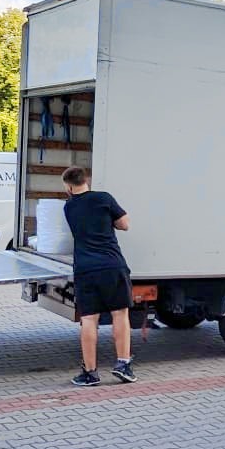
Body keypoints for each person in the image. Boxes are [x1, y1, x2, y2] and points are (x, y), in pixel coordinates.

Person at [61, 165, 135, 386]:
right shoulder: (104, 198)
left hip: (85, 269)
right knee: (119, 314)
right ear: (87, 181)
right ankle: (123, 364)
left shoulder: (69, 207)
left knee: (89, 320)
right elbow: (125, 224)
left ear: (68, 186)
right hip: (112, 265)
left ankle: (90, 373)